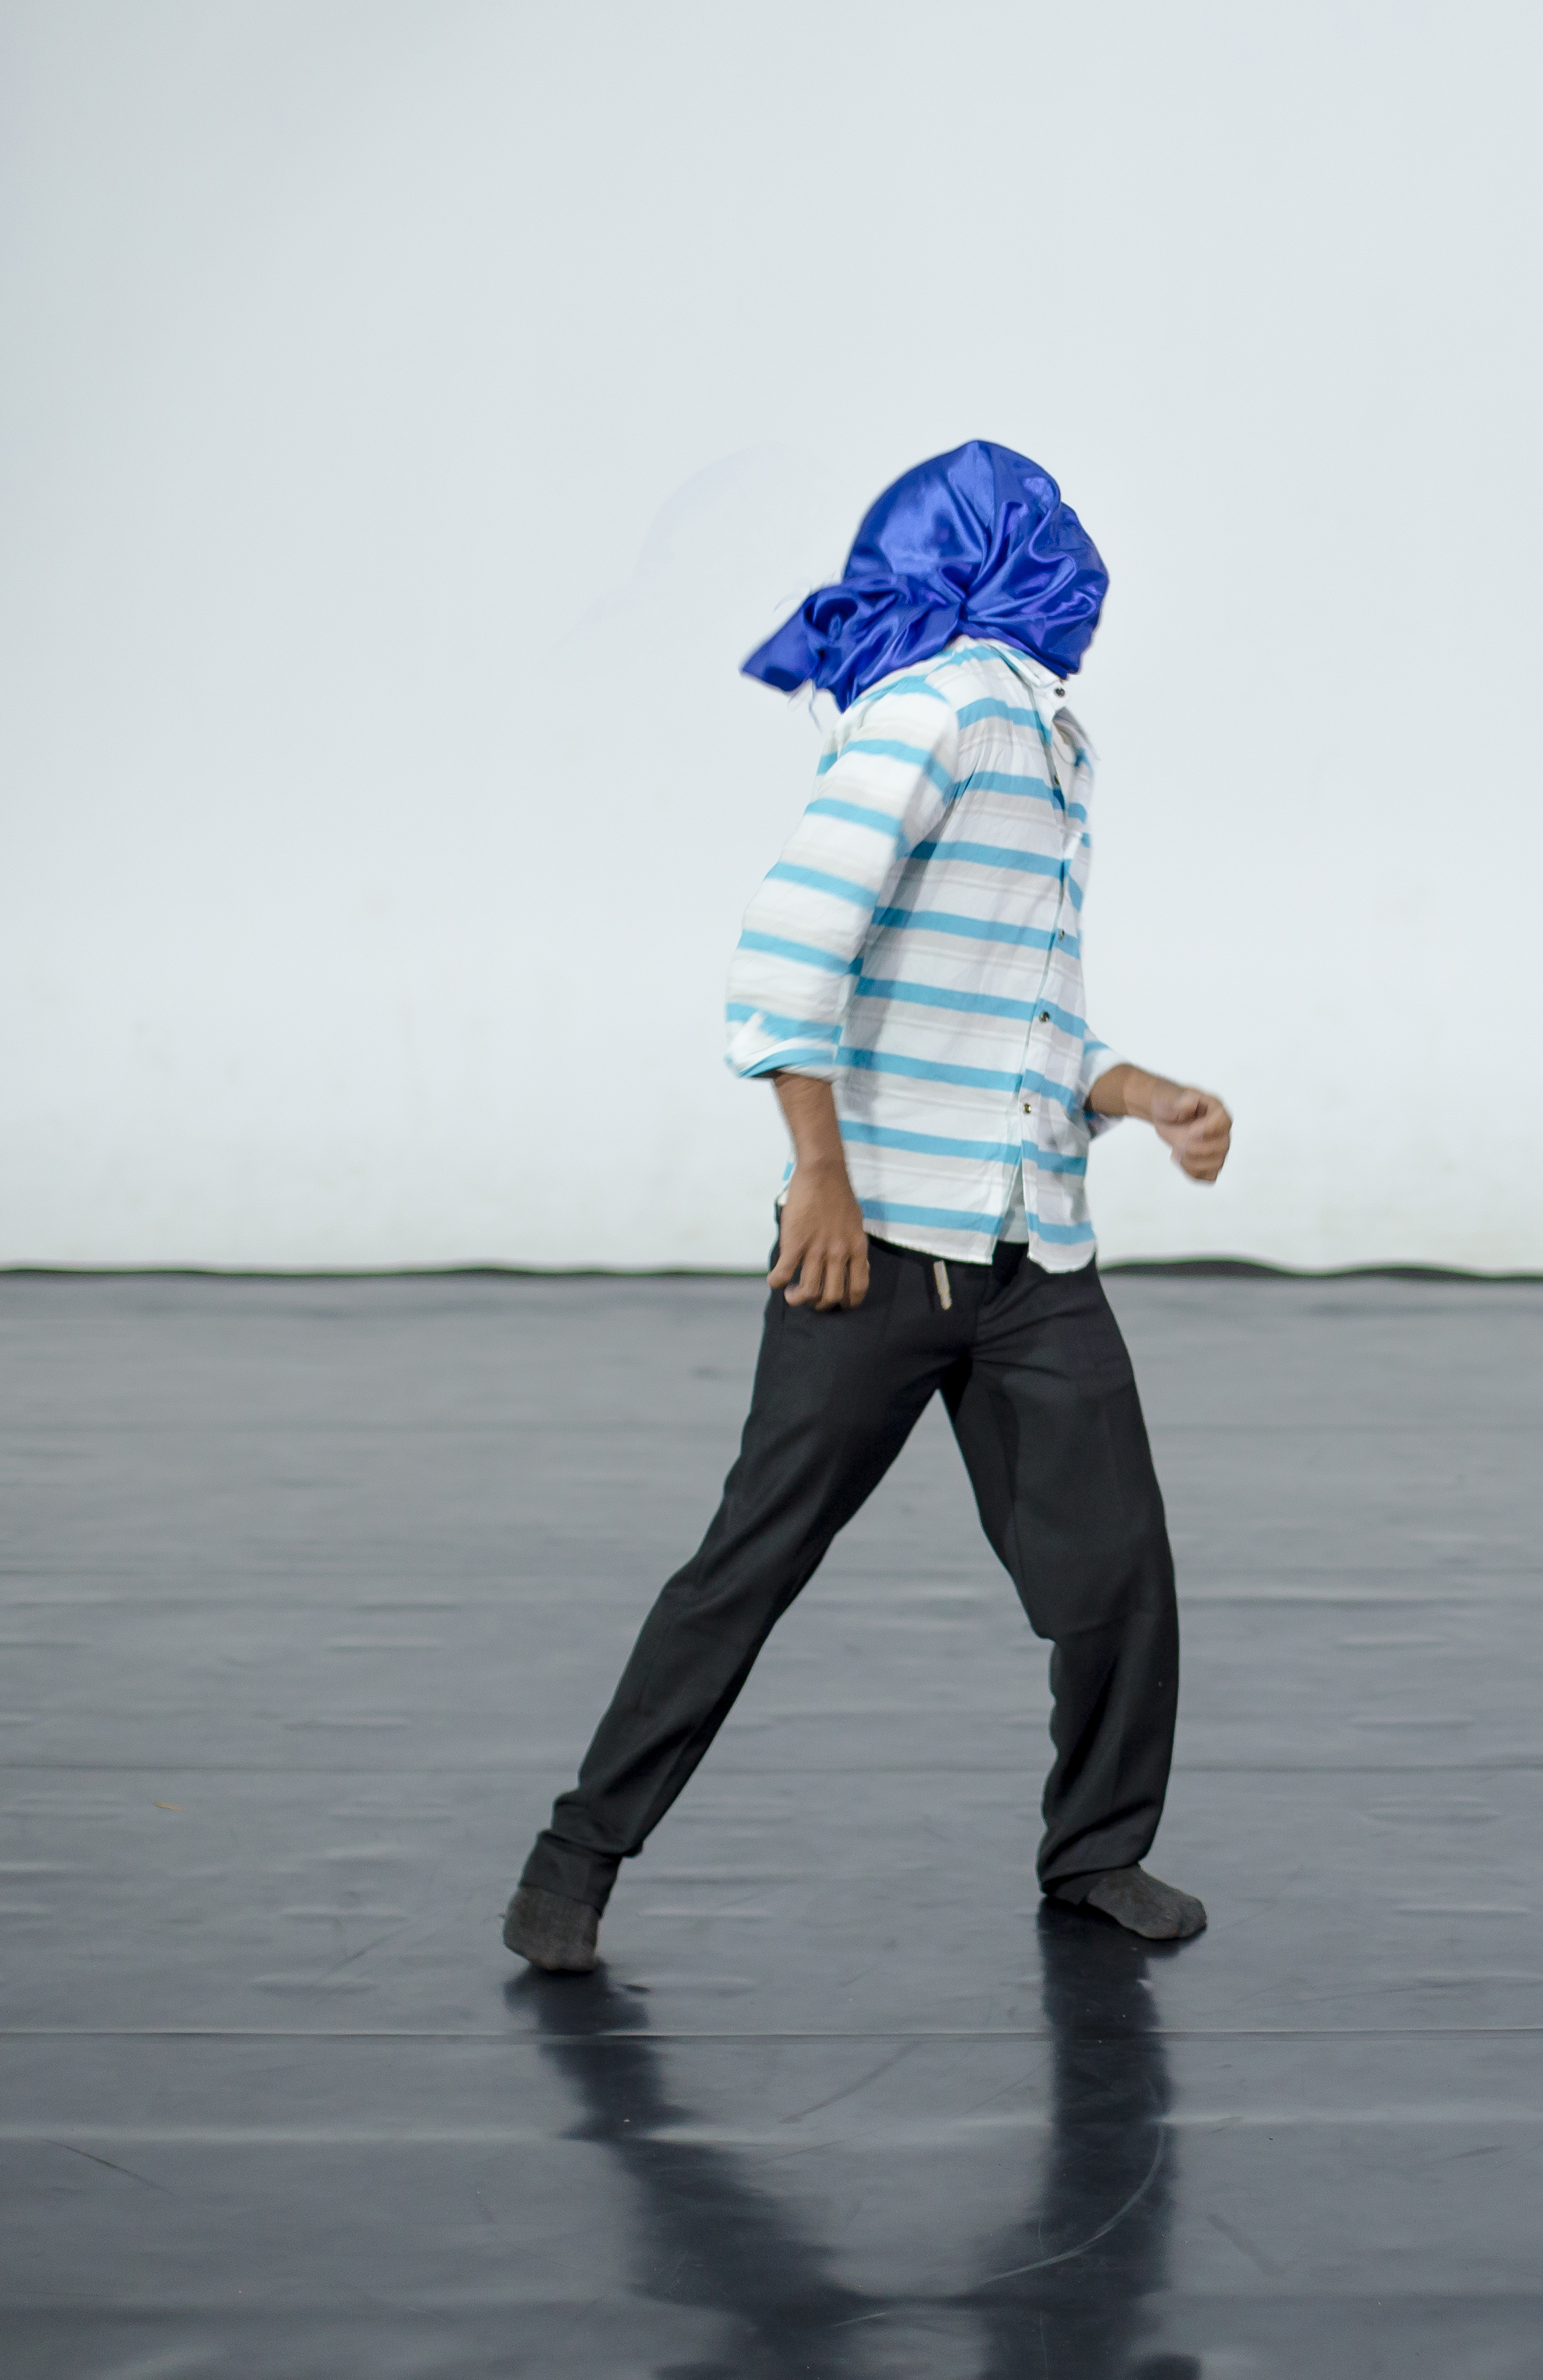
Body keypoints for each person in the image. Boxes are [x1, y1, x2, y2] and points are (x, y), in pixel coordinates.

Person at [504, 441, 1230, 1974]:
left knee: (1115, 1572)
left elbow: (1013, 1018)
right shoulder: (935, 713)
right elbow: (784, 958)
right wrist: (820, 1180)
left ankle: (1097, 1851)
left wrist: (1139, 1094)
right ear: (995, 551)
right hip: (880, 1247)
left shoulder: (1051, 739)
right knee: (751, 1561)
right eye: (1044, 528)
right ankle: (575, 1860)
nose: (1074, 551)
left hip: (1032, 1248)